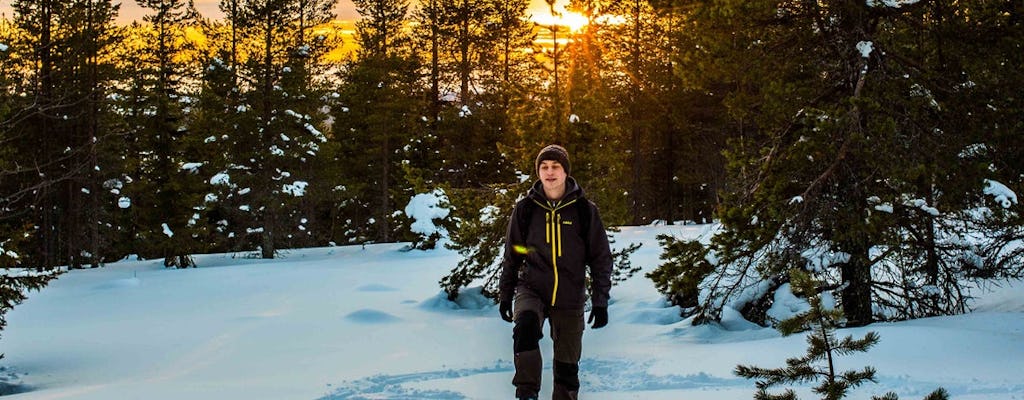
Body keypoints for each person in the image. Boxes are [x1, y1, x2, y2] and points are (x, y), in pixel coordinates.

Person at [498, 144, 613, 400]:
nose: (550, 172)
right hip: (532, 287)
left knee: (567, 369)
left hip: (570, 294)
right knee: (525, 327)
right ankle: (527, 394)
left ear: (565, 171)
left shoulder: (584, 210)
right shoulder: (526, 209)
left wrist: (600, 300)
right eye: (544, 167)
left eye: (555, 166)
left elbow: (600, 258)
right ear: (538, 172)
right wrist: (506, 294)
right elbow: (513, 254)